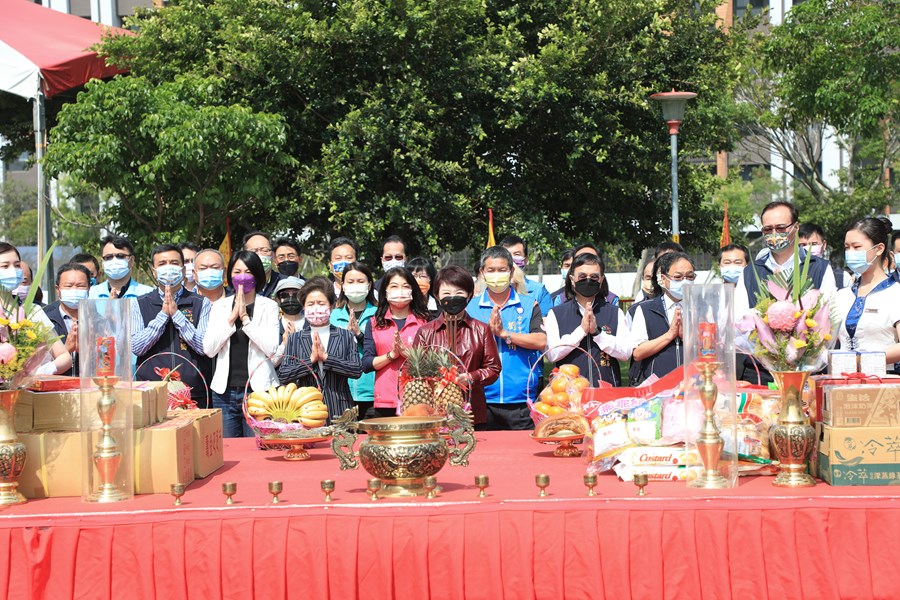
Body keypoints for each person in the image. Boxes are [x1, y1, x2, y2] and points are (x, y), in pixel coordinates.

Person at [734, 201, 837, 383]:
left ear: (795, 228)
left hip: (808, 373)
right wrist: (771, 356)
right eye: (768, 229)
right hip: (761, 374)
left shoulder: (819, 268)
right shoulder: (750, 273)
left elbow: (829, 320)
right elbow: (739, 322)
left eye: (781, 228)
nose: (774, 234)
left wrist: (805, 359)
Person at [467, 246, 546, 430]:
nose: (497, 275)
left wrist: (505, 334)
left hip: (520, 401)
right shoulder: (470, 308)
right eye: (491, 270)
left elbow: (541, 341)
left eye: (502, 270)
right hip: (482, 399)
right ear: (482, 273)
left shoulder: (528, 304)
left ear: (511, 272)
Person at [204, 251, 280, 437]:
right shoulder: (220, 307)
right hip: (224, 392)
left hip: (259, 391)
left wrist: (246, 319)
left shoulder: (268, 306)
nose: (242, 276)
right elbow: (209, 349)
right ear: (230, 275)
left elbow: (271, 349)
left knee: (259, 448)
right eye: (237, 271)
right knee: (229, 449)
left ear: (257, 275)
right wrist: (231, 319)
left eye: (247, 271)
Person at [414, 265, 501, 428]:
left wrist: (471, 377)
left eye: (459, 293)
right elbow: (415, 372)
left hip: (472, 410)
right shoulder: (426, 332)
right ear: (437, 296)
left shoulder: (481, 330)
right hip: (435, 412)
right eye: (446, 293)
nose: (452, 297)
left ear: (469, 295)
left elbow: (493, 368)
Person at [131, 244, 213, 409]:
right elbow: (136, 347)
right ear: (154, 272)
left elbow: (204, 346)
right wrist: (162, 316)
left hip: (193, 393)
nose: (168, 268)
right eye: (162, 264)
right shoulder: (139, 303)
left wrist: (177, 316)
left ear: (183, 271)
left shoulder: (200, 303)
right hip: (151, 393)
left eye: (174, 263)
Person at [278, 277, 362, 422]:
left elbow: (356, 370)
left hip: (340, 409)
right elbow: (284, 374)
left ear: (331, 305)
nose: (316, 308)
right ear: (304, 307)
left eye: (321, 303)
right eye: (311, 304)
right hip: (305, 411)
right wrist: (310, 361)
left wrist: (327, 358)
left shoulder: (345, 336)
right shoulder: (295, 338)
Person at [545, 253, 632, 386]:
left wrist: (597, 334)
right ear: (572, 279)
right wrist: (581, 331)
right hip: (569, 393)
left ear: (601, 280)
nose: (588, 280)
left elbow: (625, 353)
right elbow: (552, 355)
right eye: (582, 276)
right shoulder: (556, 313)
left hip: (606, 392)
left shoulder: (615, 313)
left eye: (594, 277)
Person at [362, 267, 431, 417]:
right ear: (385, 292)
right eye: (394, 286)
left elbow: (433, 363)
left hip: (417, 398)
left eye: (405, 286)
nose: (400, 291)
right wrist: (392, 355)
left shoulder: (425, 322)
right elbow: (367, 364)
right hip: (385, 400)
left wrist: (407, 354)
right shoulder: (374, 323)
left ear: (413, 291)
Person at [834, 217, 900, 370]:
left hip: (883, 383)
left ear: (879, 249)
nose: (850, 253)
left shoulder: (896, 293)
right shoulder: (842, 296)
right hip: (843, 381)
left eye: (857, 247)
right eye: (847, 247)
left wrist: (864, 359)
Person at [0, 243, 71, 375]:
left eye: (16, 265)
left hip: (31, 392)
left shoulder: (33, 311)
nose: (12, 270)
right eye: (5, 266)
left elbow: (64, 357)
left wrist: (39, 373)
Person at [629, 252, 696, 385]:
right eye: (678, 277)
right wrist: (669, 335)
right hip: (657, 387)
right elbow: (637, 352)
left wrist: (685, 336)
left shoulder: (702, 308)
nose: (685, 281)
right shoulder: (645, 309)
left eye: (690, 276)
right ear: (663, 279)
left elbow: (712, 348)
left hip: (693, 384)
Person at [330, 262, 378, 419]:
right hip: (341, 392)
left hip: (372, 392)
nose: (355, 286)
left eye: (360, 281)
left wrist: (359, 334)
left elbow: (382, 350)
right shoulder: (334, 316)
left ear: (369, 285)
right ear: (343, 286)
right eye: (350, 282)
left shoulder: (379, 314)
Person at [35, 263, 91, 376]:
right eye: (69, 286)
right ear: (58, 289)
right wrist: (65, 350)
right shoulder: (45, 320)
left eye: (80, 286)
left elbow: (108, 360)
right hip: (55, 388)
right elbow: (39, 366)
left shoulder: (97, 320)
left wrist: (86, 351)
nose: (74, 290)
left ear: (89, 288)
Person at [499, 235, 553, 316]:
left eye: (516, 254)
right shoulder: (490, 288)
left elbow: (545, 323)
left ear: (526, 260)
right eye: (506, 255)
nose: (510, 260)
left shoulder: (539, 291)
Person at [89, 235, 153, 299]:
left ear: (132, 260)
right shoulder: (90, 294)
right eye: (108, 257)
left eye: (120, 256)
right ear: (102, 262)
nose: (114, 260)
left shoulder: (148, 294)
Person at [556, 243, 619, 307]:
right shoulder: (560, 300)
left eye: (592, 258)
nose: (587, 263)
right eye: (582, 258)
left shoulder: (611, 301)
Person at [799, 222, 849, 288]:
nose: (808, 248)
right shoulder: (790, 275)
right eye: (803, 245)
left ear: (824, 245)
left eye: (813, 244)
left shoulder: (842, 278)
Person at [273, 276, 305, 362]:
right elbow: (268, 363)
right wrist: (284, 345)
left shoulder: (312, 326)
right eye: (285, 295)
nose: (290, 299)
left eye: (296, 295)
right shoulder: (272, 327)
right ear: (278, 300)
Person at [242, 231, 284, 298]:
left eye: (265, 251)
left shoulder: (285, 283)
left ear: (273, 256)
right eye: (254, 251)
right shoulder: (237, 286)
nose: (259, 255)